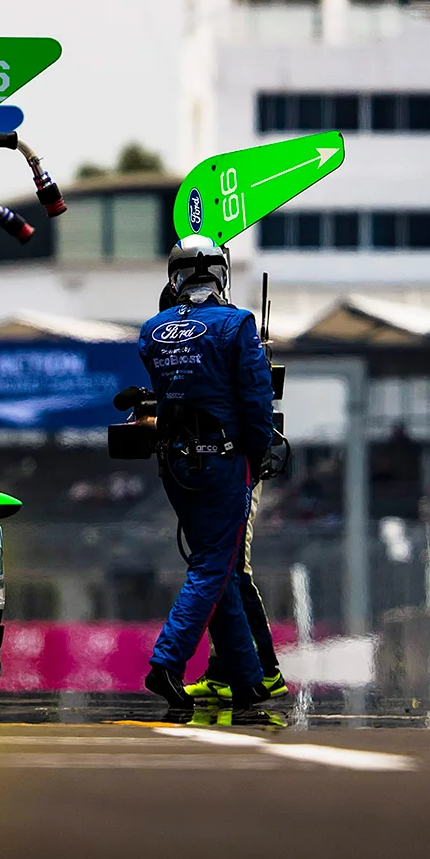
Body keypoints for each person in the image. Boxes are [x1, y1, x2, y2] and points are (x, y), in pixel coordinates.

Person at [135, 236, 274, 711]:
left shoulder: (151, 331)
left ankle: (248, 679)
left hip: (175, 464)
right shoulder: (238, 325)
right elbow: (256, 403)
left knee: (221, 570)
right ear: (220, 274)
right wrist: (259, 456)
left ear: (173, 277)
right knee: (215, 566)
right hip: (223, 460)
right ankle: (167, 664)